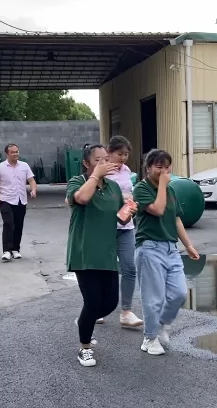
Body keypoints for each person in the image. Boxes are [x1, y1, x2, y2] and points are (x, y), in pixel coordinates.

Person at [66, 144, 136, 366]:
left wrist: (129, 211)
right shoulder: (77, 182)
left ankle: (84, 322)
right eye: (98, 160)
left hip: (107, 253)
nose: (105, 163)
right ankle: (85, 347)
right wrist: (95, 176)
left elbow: (120, 218)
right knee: (93, 301)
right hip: (84, 253)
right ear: (86, 163)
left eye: (106, 159)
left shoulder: (113, 187)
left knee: (110, 303)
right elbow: (82, 198)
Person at [133, 149, 199, 356]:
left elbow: (176, 218)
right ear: (148, 168)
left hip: (171, 248)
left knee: (179, 293)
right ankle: (149, 338)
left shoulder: (170, 190)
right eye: (159, 167)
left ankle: (162, 324)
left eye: (167, 167)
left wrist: (188, 245)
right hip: (149, 247)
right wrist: (162, 184)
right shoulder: (141, 188)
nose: (163, 171)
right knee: (153, 299)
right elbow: (158, 209)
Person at [103, 135, 144, 329]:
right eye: (120, 154)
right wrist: (120, 197)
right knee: (103, 270)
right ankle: (96, 309)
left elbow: (130, 192)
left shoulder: (127, 170)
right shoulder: (102, 172)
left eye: (126, 154)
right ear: (109, 153)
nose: (123, 158)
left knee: (129, 268)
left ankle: (126, 312)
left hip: (126, 227)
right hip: (106, 227)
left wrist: (132, 201)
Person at [0, 144, 37, 263]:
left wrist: (33, 189)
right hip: (6, 199)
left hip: (21, 200)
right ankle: (7, 250)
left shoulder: (24, 166)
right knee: (8, 223)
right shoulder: (0, 168)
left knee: (18, 225)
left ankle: (15, 249)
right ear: (7, 154)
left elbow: (31, 180)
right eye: (12, 152)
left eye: (17, 152)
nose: (15, 154)